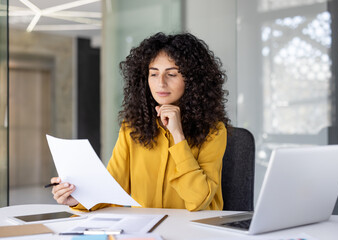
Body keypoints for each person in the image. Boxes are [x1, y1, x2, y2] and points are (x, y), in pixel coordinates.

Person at [51, 32, 230, 212]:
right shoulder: (132, 127)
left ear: (193, 80)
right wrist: (77, 199)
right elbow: (111, 189)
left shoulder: (214, 131)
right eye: (153, 74)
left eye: (172, 74)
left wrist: (178, 135)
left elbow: (198, 201)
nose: (161, 83)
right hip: (147, 230)